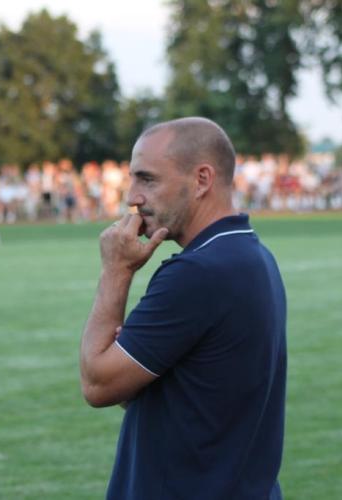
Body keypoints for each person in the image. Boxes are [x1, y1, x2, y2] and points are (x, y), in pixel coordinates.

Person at [79, 117, 287, 499]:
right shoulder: (252, 254)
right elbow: (146, 389)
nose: (132, 197)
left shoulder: (199, 272)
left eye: (147, 179)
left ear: (202, 180)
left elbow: (98, 383)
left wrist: (116, 271)